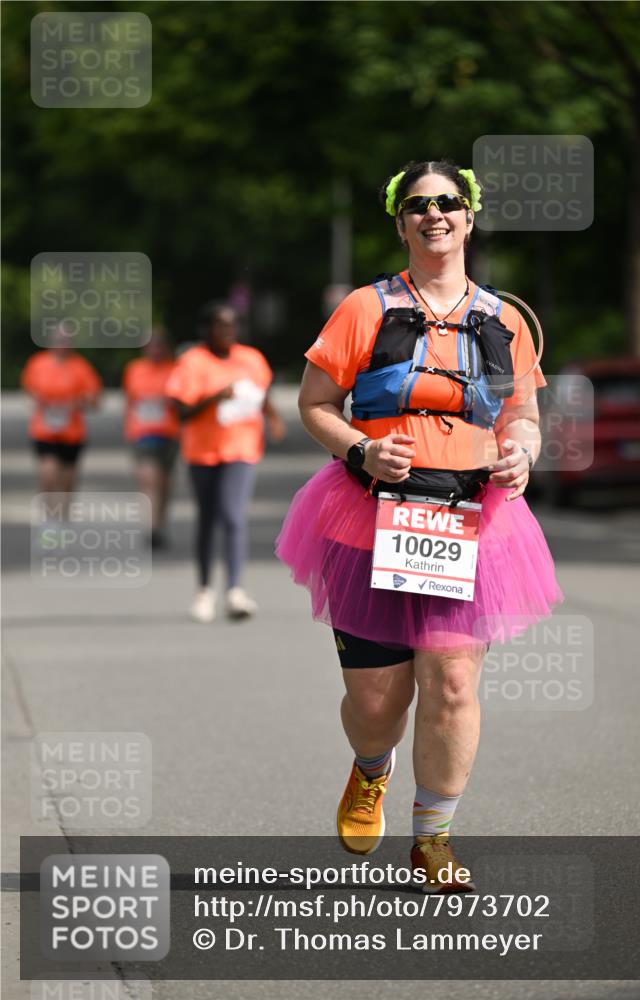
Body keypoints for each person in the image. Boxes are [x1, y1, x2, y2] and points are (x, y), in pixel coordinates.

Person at [276, 159, 563, 892]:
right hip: (367, 517)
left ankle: (433, 837)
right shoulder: (364, 309)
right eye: (417, 205)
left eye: (447, 202)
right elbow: (314, 405)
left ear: (469, 216)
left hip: (472, 520)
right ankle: (371, 767)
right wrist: (362, 449)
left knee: (454, 683)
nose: (434, 213)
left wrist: (521, 454)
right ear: (400, 222)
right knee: (378, 705)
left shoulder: (504, 320)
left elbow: (522, 416)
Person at [166, 301, 286, 622]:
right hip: (202, 452)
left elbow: (261, 395)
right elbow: (181, 412)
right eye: (220, 325)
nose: (227, 331)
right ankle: (204, 590)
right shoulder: (192, 362)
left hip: (241, 448)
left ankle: (235, 590)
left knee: (233, 515)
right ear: (206, 329)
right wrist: (214, 398)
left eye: (232, 325)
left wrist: (273, 418)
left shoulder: (251, 359)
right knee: (208, 518)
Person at [21, 324, 102, 502]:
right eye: (59, 340)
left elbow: (95, 399)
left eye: (66, 341)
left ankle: (63, 515)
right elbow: (29, 390)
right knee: (48, 475)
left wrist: (77, 403)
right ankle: (50, 515)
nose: (63, 344)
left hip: (71, 433)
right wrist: (39, 401)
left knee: (67, 483)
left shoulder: (81, 367)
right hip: (44, 431)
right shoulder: (38, 364)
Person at [122, 327, 180, 548]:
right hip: (142, 433)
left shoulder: (175, 369)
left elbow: (184, 401)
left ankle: (159, 522)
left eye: (159, 345)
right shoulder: (134, 369)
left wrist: (170, 402)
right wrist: (128, 427)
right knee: (149, 480)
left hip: (169, 433)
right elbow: (129, 401)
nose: (155, 350)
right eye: (151, 346)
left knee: (164, 483)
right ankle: (151, 528)